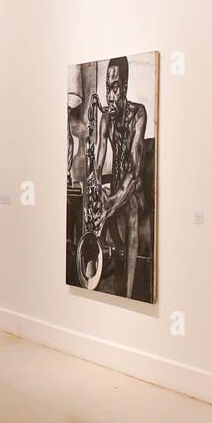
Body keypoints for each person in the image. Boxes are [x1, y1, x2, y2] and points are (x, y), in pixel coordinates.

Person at [92, 57, 148, 297]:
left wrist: (113, 202)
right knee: (96, 209)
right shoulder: (106, 118)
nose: (110, 96)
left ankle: (128, 292)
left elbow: (135, 172)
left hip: (134, 190)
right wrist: (97, 188)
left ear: (124, 87)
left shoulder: (139, 114)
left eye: (114, 88)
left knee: (133, 213)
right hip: (114, 189)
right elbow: (99, 158)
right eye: (107, 88)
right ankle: (92, 277)